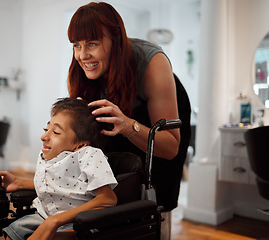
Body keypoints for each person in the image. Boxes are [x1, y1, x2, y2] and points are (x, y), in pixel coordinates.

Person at [67, 2, 191, 239]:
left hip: (163, 126)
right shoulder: (80, 71)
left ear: (115, 39)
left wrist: (127, 125)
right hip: (121, 117)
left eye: (92, 43)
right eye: (76, 45)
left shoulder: (151, 61)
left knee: (156, 200)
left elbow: (170, 147)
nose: (83, 55)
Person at [0, 98, 118, 240]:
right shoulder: (48, 154)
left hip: (77, 223)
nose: (43, 136)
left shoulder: (89, 155)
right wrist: (19, 183)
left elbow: (108, 199)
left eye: (55, 132)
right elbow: (58, 186)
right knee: (12, 233)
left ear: (80, 145)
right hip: (43, 215)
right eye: (46, 129)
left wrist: (54, 222)